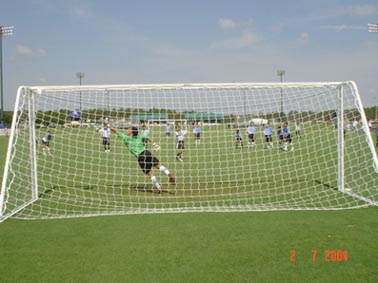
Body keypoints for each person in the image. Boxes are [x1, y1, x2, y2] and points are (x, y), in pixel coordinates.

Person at [109, 125, 176, 193]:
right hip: (146, 152)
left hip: (140, 157)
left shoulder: (126, 138)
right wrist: (155, 144)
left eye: (128, 130)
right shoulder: (140, 136)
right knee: (158, 166)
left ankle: (159, 187)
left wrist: (110, 127)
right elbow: (148, 138)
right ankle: (168, 173)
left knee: (150, 173)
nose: (126, 131)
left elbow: (116, 131)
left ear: (131, 133)